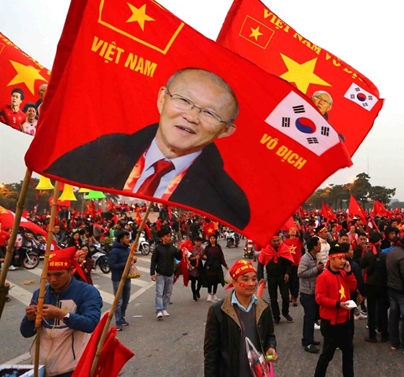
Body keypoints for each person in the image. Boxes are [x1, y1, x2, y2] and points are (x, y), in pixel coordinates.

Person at [44, 68, 250, 229]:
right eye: (184, 101)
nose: (191, 117)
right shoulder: (104, 150)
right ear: (162, 99)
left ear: (226, 130)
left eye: (210, 113)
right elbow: (55, 172)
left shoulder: (228, 202)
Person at [20, 247, 102, 377]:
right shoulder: (40, 293)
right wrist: (29, 319)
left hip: (71, 366)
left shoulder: (87, 292)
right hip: (40, 365)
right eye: (48, 274)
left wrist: (63, 315)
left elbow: (90, 324)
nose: (52, 280)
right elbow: (26, 332)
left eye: (58, 274)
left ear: (71, 270)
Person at [204, 259, 278, 377]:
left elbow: (270, 335)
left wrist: (270, 347)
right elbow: (211, 352)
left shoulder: (264, 307)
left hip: (258, 371)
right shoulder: (218, 310)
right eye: (245, 279)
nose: (251, 283)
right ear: (234, 282)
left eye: (254, 279)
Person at [314, 243, 357, 377]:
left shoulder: (344, 273)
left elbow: (353, 287)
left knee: (348, 353)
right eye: (340, 258)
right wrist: (338, 304)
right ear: (331, 259)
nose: (343, 261)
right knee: (328, 354)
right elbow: (320, 298)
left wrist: (349, 273)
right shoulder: (323, 277)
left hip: (345, 320)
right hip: (330, 322)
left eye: (344, 258)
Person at [257, 234, 294, 324]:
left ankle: (285, 312)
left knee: (285, 297)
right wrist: (261, 277)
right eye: (274, 241)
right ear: (270, 241)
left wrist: (287, 273)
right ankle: (276, 316)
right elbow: (260, 264)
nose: (277, 243)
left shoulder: (284, 248)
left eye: (278, 241)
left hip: (283, 276)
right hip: (271, 277)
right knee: (273, 299)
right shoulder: (265, 250)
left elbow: (289, 262)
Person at [298, 236, 324, 353]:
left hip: (314, 291)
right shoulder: (305, 258)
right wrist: (316, 269)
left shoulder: (314, 257)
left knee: (312, 317)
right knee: (309, 318)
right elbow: (300, 273)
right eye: (318, 244)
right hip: (307, 293)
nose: (320, 246)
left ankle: (308, 339)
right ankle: (308, 343)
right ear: (314, 246)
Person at [150, 229, 182, 320]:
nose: (169, 238)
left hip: (170, 274)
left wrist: (179, 251)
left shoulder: (173, 248)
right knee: (159, 293)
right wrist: (152, 273)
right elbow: (153, 261)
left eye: (169, 236)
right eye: (167, 236)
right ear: (162, 238)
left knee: (168, 293)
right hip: (160, 273)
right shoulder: (157, 248)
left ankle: (164, 308)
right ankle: (159, 310)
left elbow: (178, 259)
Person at [109, 230, 136, 330]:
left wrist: (133, 261)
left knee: (126, 300)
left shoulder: (128, 249)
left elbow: (129, 260)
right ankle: (118, 321)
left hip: (127, 278)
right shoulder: (114, 251)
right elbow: (111, 265)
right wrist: (125, 264)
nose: (129, 239)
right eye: (126, 238)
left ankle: (122, 317)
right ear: (121, 239)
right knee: (118, 301)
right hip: (118, 279)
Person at [203, 234, 228, 302]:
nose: (212, 240)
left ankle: (214, 294)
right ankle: (209, 294)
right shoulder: (207, 248)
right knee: (209, 280)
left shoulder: (218, 247)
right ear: (209, 239)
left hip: (217, 266)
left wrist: (225, 265)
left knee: (216, 281)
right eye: (211, 238)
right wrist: (204, 257)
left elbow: (221, 257)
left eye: (213, 238)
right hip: (209, 266)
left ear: (215, 239)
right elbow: (204, 256)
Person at [283, 225, 303, 306]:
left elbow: (302, 236)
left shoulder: (299, 240)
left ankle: (295, 297)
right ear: (288, 232)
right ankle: (291, 294)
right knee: (289, 281)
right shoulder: (285, 242)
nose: (293, 231)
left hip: (296, 264)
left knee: (295, 281)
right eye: (291, 230)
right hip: (288, 264)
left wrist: (299, 227)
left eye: (294, 230)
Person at [188, 237, 205, 301]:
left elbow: (204, 257)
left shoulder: (202, 249)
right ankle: (194, 295)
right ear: (195, 242)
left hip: (199, 265)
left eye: (200, 241)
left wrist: (204, 257)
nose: (199, 243)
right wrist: (195, 257)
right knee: (193, 281)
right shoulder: (191, 249)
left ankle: (197, 290)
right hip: (193, 265)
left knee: (200, 280)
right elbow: (189, 258)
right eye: (198, 241)